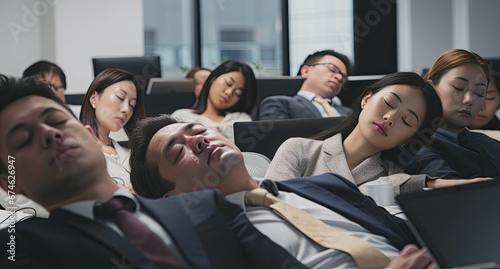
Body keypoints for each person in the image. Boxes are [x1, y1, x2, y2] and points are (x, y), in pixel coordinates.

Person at [0, 76, 306, 269]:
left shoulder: (205, 205)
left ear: (91, 136)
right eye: (23, 139)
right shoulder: (16, 249)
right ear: (8, 183)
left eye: (55, 120)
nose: (49, 135)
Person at [129, 115, 437, 269]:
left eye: (197, 131)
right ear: (171, 199)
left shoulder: (325, 184)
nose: (198, 140)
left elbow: (414, 233)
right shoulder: (209, 243)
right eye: (177, 152)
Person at [265, 72, 487, 194]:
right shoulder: (299, 149)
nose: (390, 118)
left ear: (408, 138)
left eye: (407, 120)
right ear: (367, 99)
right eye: (389, 103)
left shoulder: (392, 177)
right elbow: (270, 206)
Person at [406, 49, 500, 179]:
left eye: (479, 93)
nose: (469, 99)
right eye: (458, 87)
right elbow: (458, 194)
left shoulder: (489, 143)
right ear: (431, 88)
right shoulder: (418, 147)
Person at [80, 68, 146, 186]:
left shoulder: (131, 155)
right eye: (120, 97)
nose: (126, 109)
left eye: (132, 105)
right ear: (93, 98)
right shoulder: (72, 149)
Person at [172, 60, 256, 142]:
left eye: (238, 93)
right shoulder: (181, 116)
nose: (229, 93)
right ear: (213, 79)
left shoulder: (241, 119)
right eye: (228, 83)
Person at [259, 50, 351, 120]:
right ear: (305, 71)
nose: (339, 77)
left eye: (343, 76)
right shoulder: (280, 104)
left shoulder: (350, 113)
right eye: (332, 69)